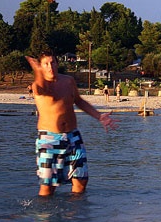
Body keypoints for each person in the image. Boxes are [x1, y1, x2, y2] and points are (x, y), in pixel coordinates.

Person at [26, 51, 117, 196]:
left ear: (57, 63)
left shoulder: (68, 81)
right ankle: (46, 216)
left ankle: (76, 216)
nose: (50, 66)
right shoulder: (38, 84)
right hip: (49, 139)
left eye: (52, 62)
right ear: (41, 67)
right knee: (48, 187)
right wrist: (37, 71)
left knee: (81, 181)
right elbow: (40, 89)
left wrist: (99, 116)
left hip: (73, 136)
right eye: (46, 64)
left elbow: (79, 101)